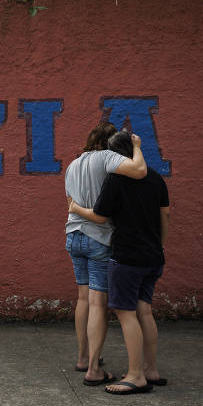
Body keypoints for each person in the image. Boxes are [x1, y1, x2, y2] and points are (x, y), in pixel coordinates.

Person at [69, 130, 170, 395]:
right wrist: (160, 244)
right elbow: (166, 215)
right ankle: (150, 370)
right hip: (152, 255)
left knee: (125, 314)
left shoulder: (114, 181)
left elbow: (101, 216)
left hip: (125, 255)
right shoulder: (157, 178)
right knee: (144, 311)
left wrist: (76, 208)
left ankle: (134, 375)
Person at [64, 122, 147, 386]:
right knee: (98, 303)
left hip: (73, 235)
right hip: (97, 238)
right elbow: (139, 170)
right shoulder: (106, 157)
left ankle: (82, 357)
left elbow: (70, 202)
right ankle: (93, 370)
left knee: (82, 299)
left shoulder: (73, 164)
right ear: (110, 142)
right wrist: (135, 147)